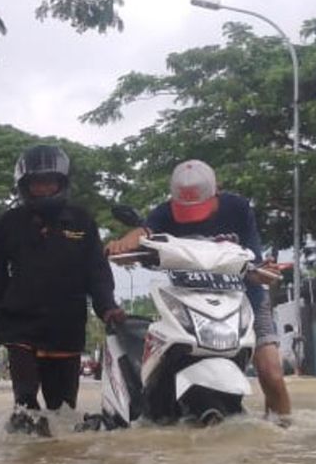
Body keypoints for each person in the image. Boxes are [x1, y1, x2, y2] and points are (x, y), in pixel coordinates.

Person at [105, 159, 293, 421]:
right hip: (188, 301)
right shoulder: (165, 213)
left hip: (243, 298)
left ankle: (286, 436)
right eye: (182, 208)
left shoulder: (237, 208)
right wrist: (124, 245)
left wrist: (263, 271)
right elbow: (144, 232)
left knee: (271, 371)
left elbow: (255, 262)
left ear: (216, 191)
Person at [0, 144, 126, 435]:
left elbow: (97, 273)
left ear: (61, 183)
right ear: (25, 186)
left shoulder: (81, 222)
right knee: (25, 404)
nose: (43, 188)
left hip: (66, 325)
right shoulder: (7, 225)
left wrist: (107, 308)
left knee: (62, 410)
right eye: (36, 183)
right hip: (21, 326)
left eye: (49, 181)